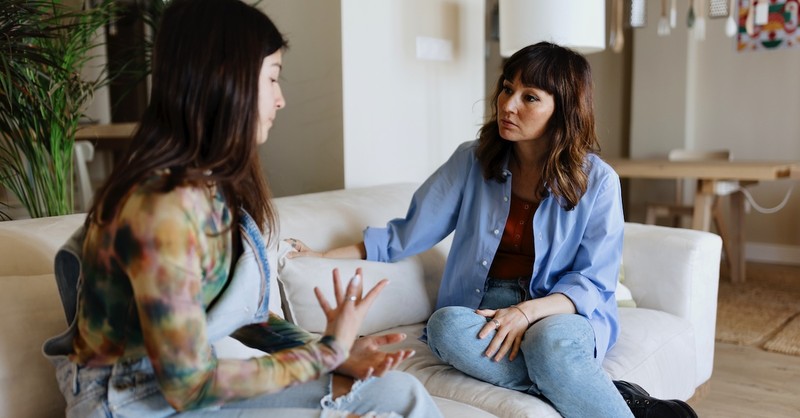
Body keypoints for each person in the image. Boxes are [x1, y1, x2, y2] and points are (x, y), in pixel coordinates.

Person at [42, 0, 442, 417]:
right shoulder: (158, 211)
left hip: (194, 390)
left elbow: (247, 316)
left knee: (399, 392)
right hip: (132, 404)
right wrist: (324, 356)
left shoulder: (212, 191)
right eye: (272, 78)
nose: (281, 99)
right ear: (224, 80)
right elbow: (187, 387)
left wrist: (335, 353)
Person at [288, 42, 697, 418]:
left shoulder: (598, 181)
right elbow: (406, 234)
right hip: (484, 307)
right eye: (506, 89)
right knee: (445, 326)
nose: (508, 104)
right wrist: (322, 256)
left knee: (550, 344)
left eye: (529, 97)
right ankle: (613, 394)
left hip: (559, 310)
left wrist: (526, 313)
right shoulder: (472, 161)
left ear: (564, 109)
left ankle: (579, 381)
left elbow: (594, 281)